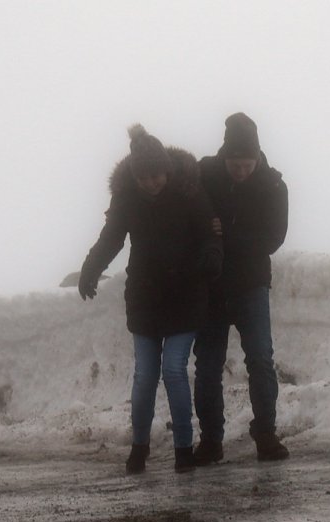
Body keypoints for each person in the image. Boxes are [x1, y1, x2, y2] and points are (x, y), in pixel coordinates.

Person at [79, 124, 222, 474]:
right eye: (144, 177)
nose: (152, 182)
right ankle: (139, 447)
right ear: (135, 177)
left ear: (167, 171)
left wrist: (212, 255)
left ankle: (183, 448)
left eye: (157, 175)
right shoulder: (127, 199)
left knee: (174, 370)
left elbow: (209, 232)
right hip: (145, 298)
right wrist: (90, 269)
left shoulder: (188, 192)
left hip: (185, 296)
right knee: (144, 375)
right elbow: (111, 239)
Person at [193, 112, 290, 464]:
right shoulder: (204, 176)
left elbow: (272, 239)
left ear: (257, 157)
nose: (241, 171)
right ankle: (210, 442)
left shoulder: (274, 186)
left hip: (251, 285)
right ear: (224, 157)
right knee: (207, 365)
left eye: (247, 164)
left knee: (261, 360)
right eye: (235, 164)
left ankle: (265, 435)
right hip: (212, 287)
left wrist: (224, 235)